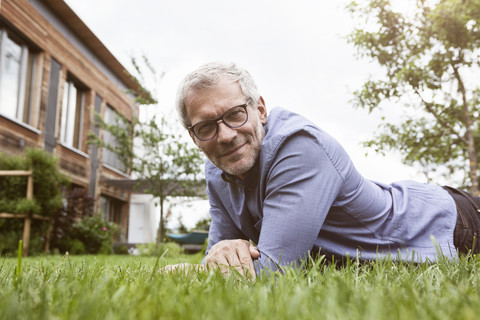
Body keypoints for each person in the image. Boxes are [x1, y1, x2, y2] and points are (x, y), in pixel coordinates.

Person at [170, 61, 480, 278]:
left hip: (448, 224)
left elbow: (273, 275)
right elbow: (219, 261)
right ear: (194, 137)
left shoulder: (299, 148)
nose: (225, 135)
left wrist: (181, 271)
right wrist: (222, 253)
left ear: (260, 109)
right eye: (206, 127)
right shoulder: (217, 172)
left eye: (235, 114)